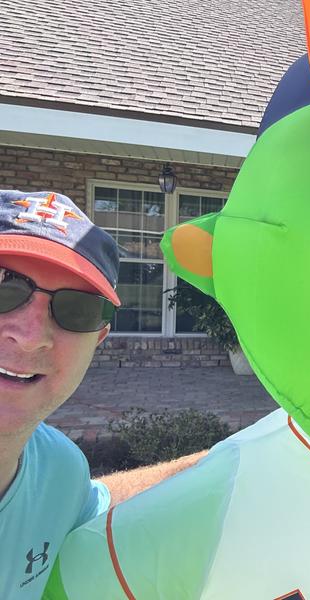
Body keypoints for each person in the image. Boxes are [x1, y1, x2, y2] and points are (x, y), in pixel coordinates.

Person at [0, 190, 201, 599]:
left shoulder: (59, 469)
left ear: (99, 339)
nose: (31, 336)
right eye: (5, 287)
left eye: (77, 309)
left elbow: (107, 502)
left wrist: (238, 455)